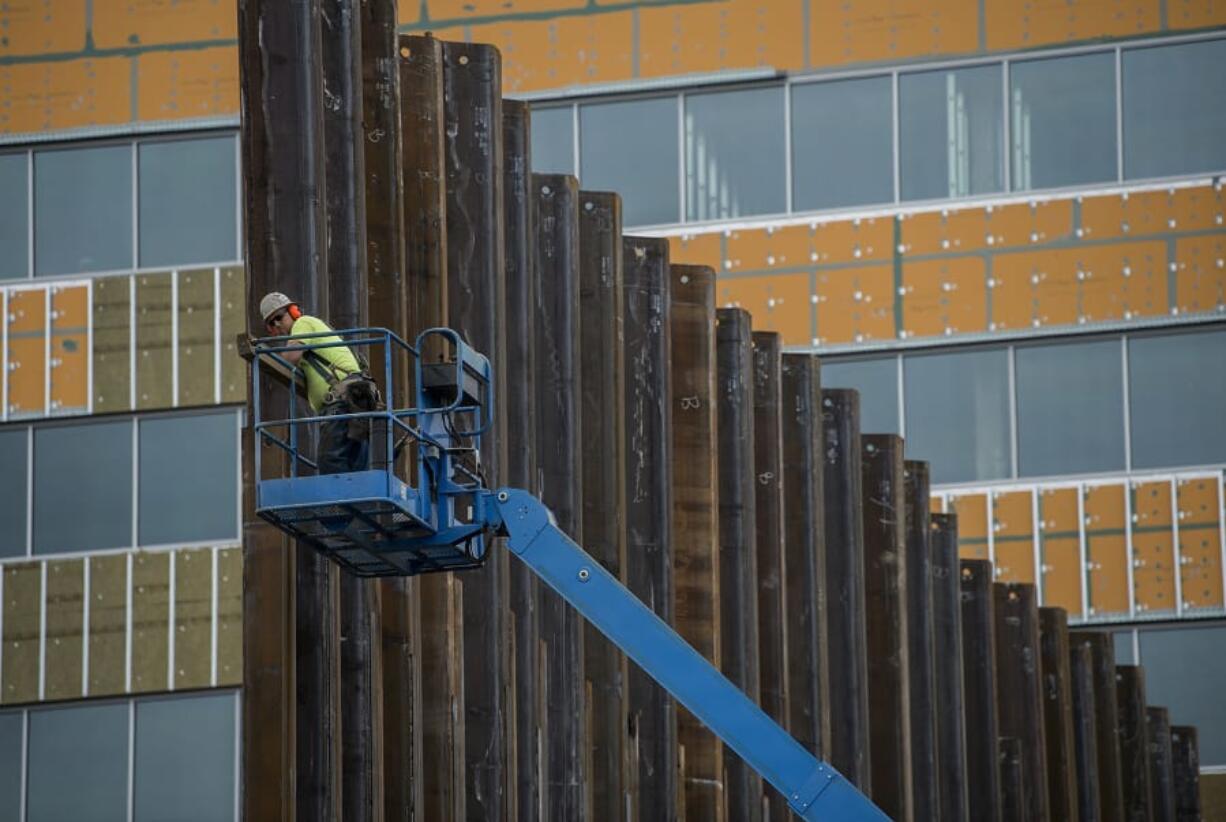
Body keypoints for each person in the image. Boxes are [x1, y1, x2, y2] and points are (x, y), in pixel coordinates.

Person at [259, 292, 379, 474]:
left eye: (279, 318)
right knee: (355, 472)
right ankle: (357, 503)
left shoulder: (303, 323)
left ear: (293, 311)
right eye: (271, 324)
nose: (277, 325)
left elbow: (290, 357)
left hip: (342, 404)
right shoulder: (308, 340)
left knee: (330, 462)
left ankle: (344, 503)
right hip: (355, 403)